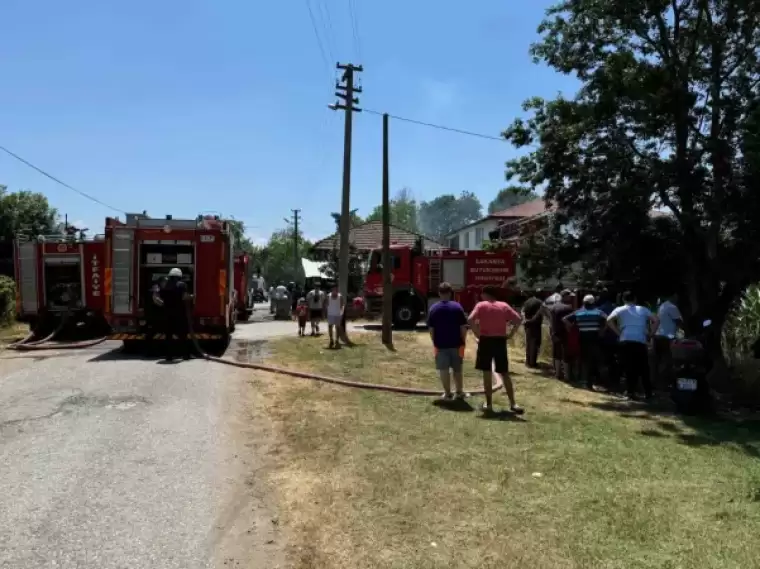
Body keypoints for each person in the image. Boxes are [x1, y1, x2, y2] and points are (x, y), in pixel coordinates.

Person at [468, 285, 525, 415]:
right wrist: (511, 334)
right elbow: (518, 319)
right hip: (500, 341)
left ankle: (488, 404)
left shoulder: (481, 305)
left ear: (485, 294)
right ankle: (513, 403)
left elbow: (470, 320)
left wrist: (477, 334)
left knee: (487, 372)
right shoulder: (504, 306)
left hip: (486, 341)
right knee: (504, 372)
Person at [606, 291, 659, 400]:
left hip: (626, 339)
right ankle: (648, 393)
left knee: (629, 367)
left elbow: (609, 320)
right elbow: (656, 320)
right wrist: (651, 334)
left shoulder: (619, 309)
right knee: (644, 368)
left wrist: (618, 333)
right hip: (640, 339)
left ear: (623, 300)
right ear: (635, 299)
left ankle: (630, 392)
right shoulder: (643, 309)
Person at [427, 282, 468, 401]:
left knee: (443, 369)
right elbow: (463, 328)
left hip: (440, 345)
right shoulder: (457, 307)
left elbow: (431, 329)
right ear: (450, 293)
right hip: (457, 344)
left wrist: (434, 341)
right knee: (458, 369)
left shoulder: (433, 309)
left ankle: (447, 393)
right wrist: (463, 341)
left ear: (439, 293)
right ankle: (459, 392)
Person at [564, 294, 608, 390]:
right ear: (593, 302)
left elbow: (564, 319)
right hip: (595, 339)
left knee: (585, 361)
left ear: (584, 302)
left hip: (583, 339)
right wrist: (603, 330)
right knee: (599, 361)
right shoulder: (598, 312)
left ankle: (587, 383)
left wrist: (571, 327)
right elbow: (608, 319)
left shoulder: (578, 312)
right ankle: (602, 383)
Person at [161, 267, 193, 361]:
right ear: (179, 276)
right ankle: (185, 355)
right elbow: (185, 297)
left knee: (168, 336)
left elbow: (162, 298)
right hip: (180, 314)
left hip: (167, 314)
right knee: (183, 335)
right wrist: (192, 296)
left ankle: (169, 356)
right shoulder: (182, 285)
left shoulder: (164, 285)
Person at [653, 293, 684, 388]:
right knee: (668, 362)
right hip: (667, 337)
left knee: (657, 361)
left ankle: (656, 383)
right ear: (674, 296)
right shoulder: (672, 307)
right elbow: (679, 321)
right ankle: (665, 384)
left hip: (658, 336)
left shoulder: (663, 306)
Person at [546, 289, 574, 380]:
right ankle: (567, 375)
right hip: (564, 334)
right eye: (569, 296)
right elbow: (568, 322)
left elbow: (551, 320)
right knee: (565, 355)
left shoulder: (553, 307)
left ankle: (557, 374)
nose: (570, 297)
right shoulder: (568, 308)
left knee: (556, 354)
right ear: (565, 296)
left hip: (555, 333)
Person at [521, 292, 544, 368]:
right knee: (535, 343)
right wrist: (531, 320)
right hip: (535, 324)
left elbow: (522, 311)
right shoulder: (539, 302)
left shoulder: (526, 302)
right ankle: (533, 363)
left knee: (528, 343)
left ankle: (528, 362)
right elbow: (540, 313)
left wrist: (525, 320)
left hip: (527, 324)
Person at [145, 276, 166, 348]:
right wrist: (166, 304)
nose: (165, 283)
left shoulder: (159, 288)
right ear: (160, 282)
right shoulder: (156, 288)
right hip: (154, 313)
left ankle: (151, 349)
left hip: (155, 313)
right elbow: (156, 299)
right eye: (164, 282)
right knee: (152, 331)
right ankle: (149, 350)